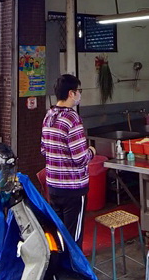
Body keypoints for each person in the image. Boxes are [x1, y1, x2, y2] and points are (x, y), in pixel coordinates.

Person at [41, 74, 94, 246]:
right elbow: (80, 159)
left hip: (53, 186)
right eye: (78, 91)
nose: (79, 95)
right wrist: (92, 151)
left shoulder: (49, 116)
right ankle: (74, 271)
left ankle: (60, 269)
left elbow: (44, 150)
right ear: (71, 93)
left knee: (58, 234)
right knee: (73, 237)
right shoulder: (72, 119)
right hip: (73, 188)